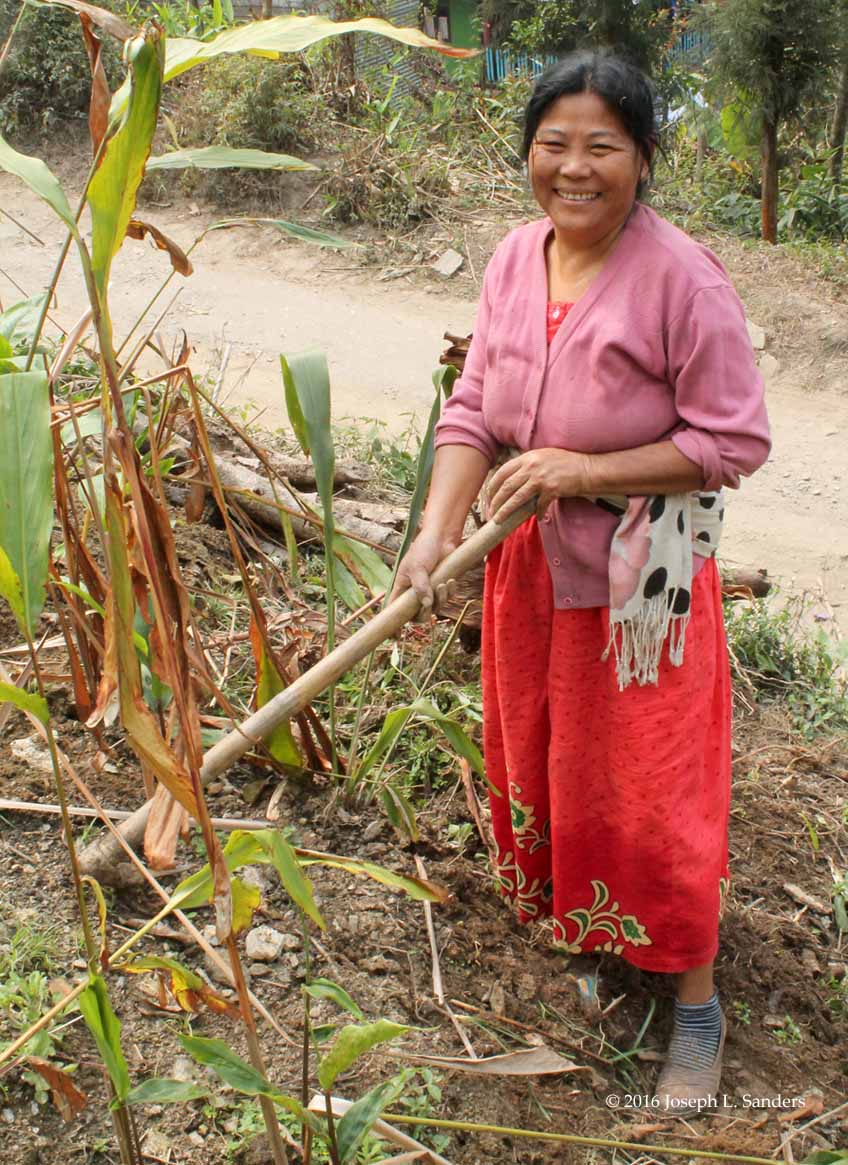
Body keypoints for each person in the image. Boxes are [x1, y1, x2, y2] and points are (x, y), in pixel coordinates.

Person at [392, 52, 770, 1110]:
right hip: (526, 561)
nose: (573, 166)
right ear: (525, 154)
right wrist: (432, 534)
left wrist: (585, 469)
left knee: (652, 784)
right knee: (552, 758)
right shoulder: (513, 259)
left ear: (640, 160)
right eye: (552, 143)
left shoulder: (680, 277)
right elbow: (471, 410)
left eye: (600, 144)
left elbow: (733, 439)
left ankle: (693, 1001)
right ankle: (595, 929)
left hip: (644, 572)